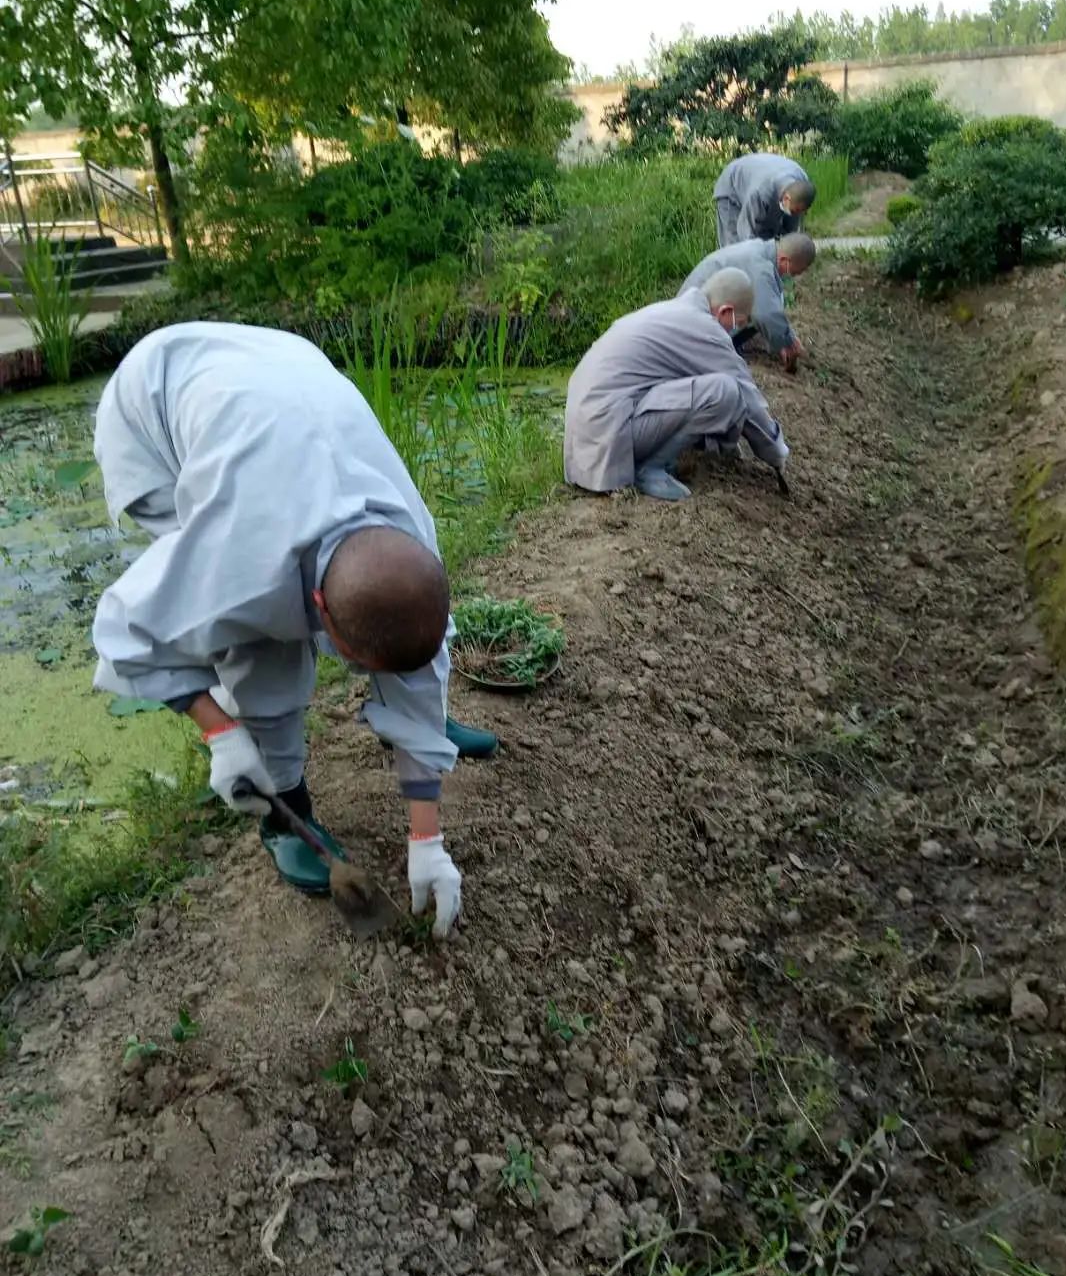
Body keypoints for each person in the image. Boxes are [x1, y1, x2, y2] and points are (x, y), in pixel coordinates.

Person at [92, 322, 498, 938]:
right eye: (358, 662)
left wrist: (427, 839)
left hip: (277, 374)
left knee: (401, 631)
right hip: (154, 403)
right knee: (258, 643)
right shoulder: (236, 559)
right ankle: (285, 811)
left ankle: (423, 732)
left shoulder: (412, 538)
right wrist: (221, 732)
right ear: (318, 610)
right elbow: (127, 631)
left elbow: (418, 648)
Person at [564, 268, 789, 503]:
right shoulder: (705, 328)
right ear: (726, 311)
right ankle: (650, 468)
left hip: (588, 438)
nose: (734, 330)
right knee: (725, 391)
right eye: (737, 323)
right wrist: (776, 451)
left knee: (702, 387)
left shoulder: (674, 312)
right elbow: (747, 396)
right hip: (608, 437)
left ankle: (665, 457)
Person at [679, 233, 816, 371]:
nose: (792, 277)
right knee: (754, 314)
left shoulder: (760, 249)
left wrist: (788, 335)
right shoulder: (761, 267)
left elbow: (770, 303)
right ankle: (715, 350)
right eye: (794, 273)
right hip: (692, 322)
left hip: (698, 307)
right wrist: (787, 343)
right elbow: (766, 314)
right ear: (785, 261)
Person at [713, 153, 815, 247]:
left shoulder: (802, 184)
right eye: (794, 211)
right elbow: (747, 233)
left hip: (765, 174)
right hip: (732, 187)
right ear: (786, 198)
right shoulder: (760, 192)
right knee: (735, 244)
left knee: (771, 234)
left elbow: (791, 229)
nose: (796, 213)